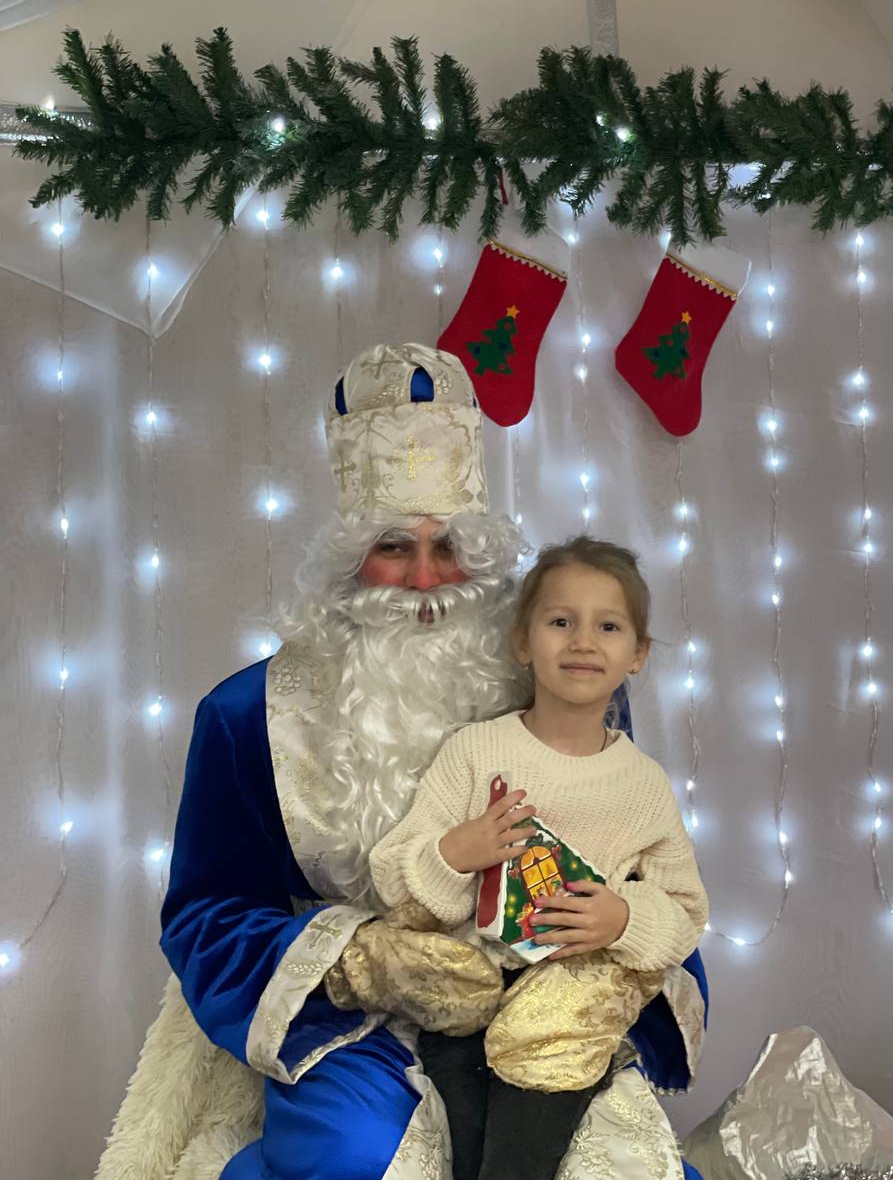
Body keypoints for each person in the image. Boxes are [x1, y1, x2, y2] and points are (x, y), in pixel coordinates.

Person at [95, 343, 708, 1180]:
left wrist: (616, 933)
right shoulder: (248, 716)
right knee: (364, 1159)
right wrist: (356, 961)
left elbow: (651, 873)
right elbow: (205, 912)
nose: (424, 579)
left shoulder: (561, 687)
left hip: (542, 996)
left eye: (448, 545)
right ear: (349, 558)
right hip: (352, 1022)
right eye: (393, 545)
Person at [364, 536, 708, 1180]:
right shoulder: (474, 752)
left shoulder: (642, 785)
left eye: (608, 627)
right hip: (468, 1001)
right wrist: (455, 853)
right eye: (560, 622)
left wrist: (623, 918)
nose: (583, 642)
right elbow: (394, 874)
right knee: (466, 1149)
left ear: (637, 654)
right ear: (523, 641)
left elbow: (685, 908)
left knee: (517, 1160)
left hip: (567, 1010)